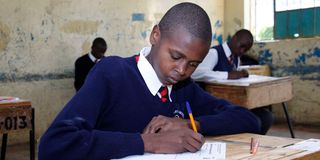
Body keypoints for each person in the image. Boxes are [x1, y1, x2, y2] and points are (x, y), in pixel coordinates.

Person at [38, 3, 260, 160]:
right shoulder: (112, 74)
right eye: (175, 56)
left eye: (193, 64)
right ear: (155, 35)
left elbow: (249, 120)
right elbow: (54, 145)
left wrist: (191, 124)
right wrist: (147, 143)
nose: (182, 70)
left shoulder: (182, 89)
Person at [191, 29, 273, 135]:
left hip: (232, 101)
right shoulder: (214, 53)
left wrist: (241, 74)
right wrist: (228, 75)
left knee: (266, 116)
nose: (242, 51)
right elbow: (197, 73)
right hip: (214, 105)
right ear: (234, 38)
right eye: (241, 46)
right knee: (255, 121)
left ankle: (253, 145)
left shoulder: (236, 58)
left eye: (246, 50)